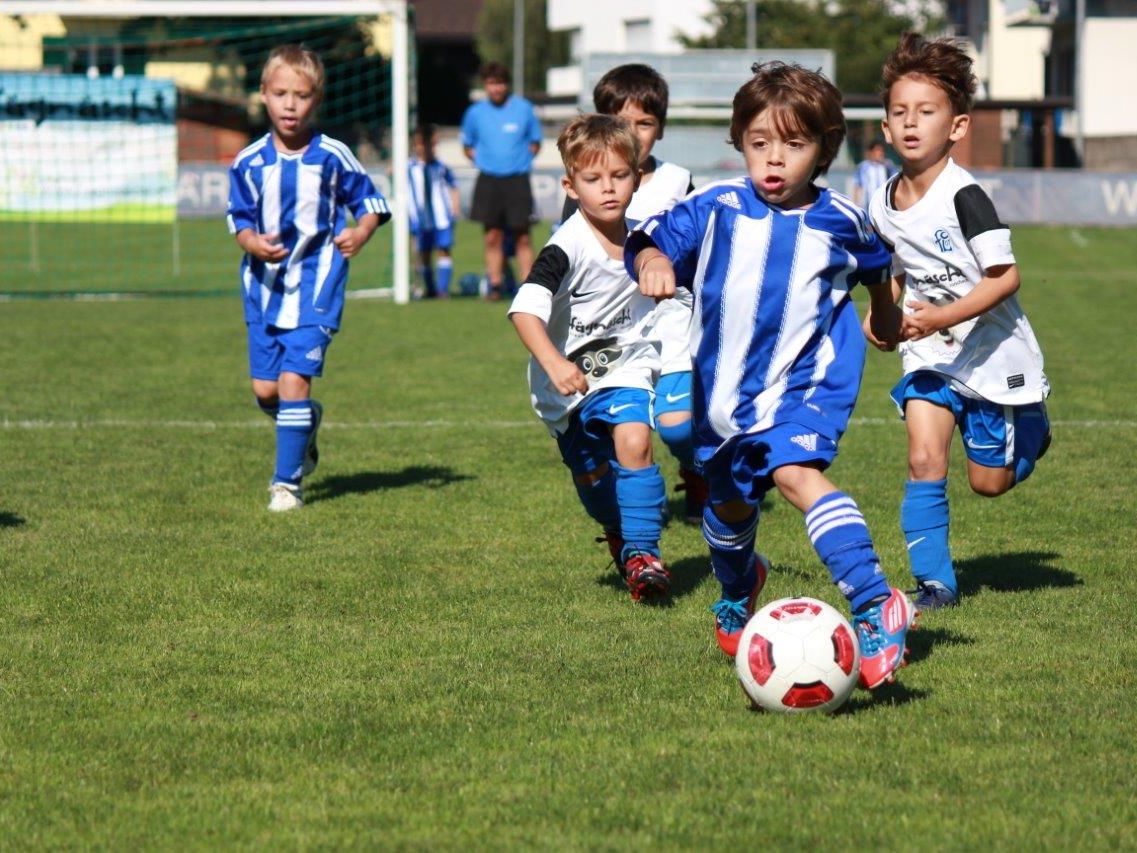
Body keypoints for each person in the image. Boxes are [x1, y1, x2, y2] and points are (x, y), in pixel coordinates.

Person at [627, 62, 915, 689]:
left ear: (824, 149)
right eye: (760, 144)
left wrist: (887, 316)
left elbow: (876, 267)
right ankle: (740, 585)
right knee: (728, 509)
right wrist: (650, 260)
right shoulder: (713, 206)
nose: (774, 160)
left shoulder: (843, 218)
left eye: (794, 145)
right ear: (740, 143)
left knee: (794, 473)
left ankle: (874, 603)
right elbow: (647, 239)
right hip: (722, 393)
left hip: (806, 382)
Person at [863, 33, 1051, 610]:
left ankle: (1032, 427)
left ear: (958, 127)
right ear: (887, 128)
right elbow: (893, 272)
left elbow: (1004, 278)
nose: (912, 123)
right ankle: (934, 584)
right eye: (900, 113)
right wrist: (883, 315)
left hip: (993, 351)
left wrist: (941, 313)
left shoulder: (965, 197)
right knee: (923, 457)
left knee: (987, 484)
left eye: (927, 111)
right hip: (930, 353)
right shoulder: (880, 201)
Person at [508, 114, 669, 602]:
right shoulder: (565, 247)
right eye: (593, 179)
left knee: (636, 440)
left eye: (619, 176)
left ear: (637, 178)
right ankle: (618, 531)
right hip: (566, 387)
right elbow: (524, 312)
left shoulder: (647, 237)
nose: (608, 189)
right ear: (571, 186)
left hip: (627, 366)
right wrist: (555, 363)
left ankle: (644, 553)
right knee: (594, 479)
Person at [227, 45, 389, 511]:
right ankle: (305, 425)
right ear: (263, 95)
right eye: (280, 94)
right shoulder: (249, 162)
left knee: (295, 381)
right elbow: (238, 218)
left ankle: (286, 484)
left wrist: (361, 231)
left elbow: (371, 203)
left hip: (317, 287)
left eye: (300, 95)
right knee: (266, 392)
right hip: (264, 289)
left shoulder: (334, 155)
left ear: (316, 100)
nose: (290, 104)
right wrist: (252, 242)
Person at [562, 64, 708, 527]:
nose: (634, 133)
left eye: (644, 123)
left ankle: (696, 468)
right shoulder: (587, 187)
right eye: (622, 123)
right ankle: (635, 514)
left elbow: (701, 248)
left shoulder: (679, 182)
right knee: (620, 431)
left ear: (660, 127)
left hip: (671, 324)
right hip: (615, 335)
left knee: (679, 426)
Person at [460, 62, 542, 301]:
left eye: (501, 83)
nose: (497, 88)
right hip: (489, 181)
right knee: (492, 236)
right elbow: (467, 146)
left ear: (507, 85)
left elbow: (535, 143)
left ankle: (529, 287)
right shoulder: (475, 113)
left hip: (517, 180)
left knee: (522, 235)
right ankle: (495, 285)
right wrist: (487, 162)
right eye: (492, 84)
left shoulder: (524, 109)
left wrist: (517, 161)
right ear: (485, 85)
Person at [408, 123, 459, 298]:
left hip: (442, 218)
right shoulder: (409, 166)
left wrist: (455, 208)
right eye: (422, 143)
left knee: (444, 250)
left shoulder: (441, 167)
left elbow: (453, 187)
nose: (427, 148)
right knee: (423, 254)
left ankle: (442, 290)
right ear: (415, 144)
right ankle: (429, 288)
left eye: (430, 144)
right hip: (419, 219)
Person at [852, 140, 898, 211]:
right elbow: (857, 185)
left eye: (881, 151)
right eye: (877, 150)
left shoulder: (887, 166)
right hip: (867, 205)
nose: (880, 153)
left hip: (883, 205)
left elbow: (896, 181)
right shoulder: (863, 167)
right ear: (871, 152)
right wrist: (855, 204)